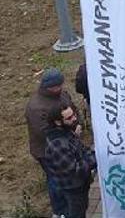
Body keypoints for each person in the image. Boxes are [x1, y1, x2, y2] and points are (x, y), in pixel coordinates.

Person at [25, 68, 75, 217]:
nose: (61, 87)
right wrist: (70, 130)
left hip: (64, 145)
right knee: (55, 181)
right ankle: (59, 211)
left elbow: (72, 109)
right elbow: (42, 131)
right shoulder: (35, 107)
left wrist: (76, 122)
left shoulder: (62, 95)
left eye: (61, 84)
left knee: (65, 177)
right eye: (57, 85)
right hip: (45, 151)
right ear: (49, 86)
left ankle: (68, 205)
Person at [45, 103, 96, 218]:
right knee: (76, 214)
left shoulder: (66, 131)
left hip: (78, 185)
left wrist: (91, 153)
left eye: (73, 115)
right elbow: (75, 169)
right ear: (58, 122)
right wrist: (94, 159)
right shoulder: (58, 144)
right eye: (69, 118)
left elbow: (81, 149)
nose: (74, 119)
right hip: (73, 188)